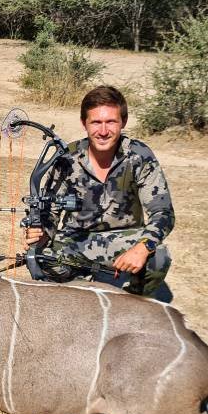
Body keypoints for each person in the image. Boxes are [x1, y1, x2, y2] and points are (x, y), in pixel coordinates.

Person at [24, 85, 174, 297]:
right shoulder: (67, 158)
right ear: (84, 123)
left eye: (111, 122)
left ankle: (132, 302)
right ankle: (77, 296)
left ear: (123, 122)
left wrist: (142, 247)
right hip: (76, 241)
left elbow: (163, 213)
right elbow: (49, 211)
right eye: (96, 122)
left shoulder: (139, 155)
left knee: (158, 257)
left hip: (124, 240)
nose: (103, 131)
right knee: (42, 258)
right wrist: (40, 234)